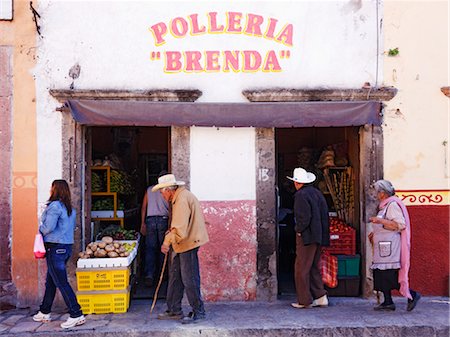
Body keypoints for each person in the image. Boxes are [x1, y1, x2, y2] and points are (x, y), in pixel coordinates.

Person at [152, 174, 209, 324]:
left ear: (168, 190)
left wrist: (166, 242)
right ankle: (174, 309)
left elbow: (179, 230)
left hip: (187, 243)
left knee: (189, 278)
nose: (161, 195)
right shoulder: (180, 197)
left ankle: (199, 311)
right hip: (183, 243)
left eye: (161, 192)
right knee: (176, 276)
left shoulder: (182, 200)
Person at [33, 180, 86, 329]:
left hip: (55, 247)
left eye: (51, 187)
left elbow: (48, 227)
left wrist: (40, 229)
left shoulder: (55, 206)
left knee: (61, 282)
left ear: (54, 189)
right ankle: (44, 311)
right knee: (51, 281)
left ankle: (76, 313)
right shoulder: (69, 208)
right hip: (66, 247)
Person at [368, 179, 421, 311]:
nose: (375, 195)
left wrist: (379, 220)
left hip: (391, 247)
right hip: (383, 247)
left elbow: (400, 225)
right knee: (381, 273)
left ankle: (412, 295)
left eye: (377, 192)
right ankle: (388, 302)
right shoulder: (384, 206)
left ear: (383, 193)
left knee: (389, 275)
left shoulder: (392, 205)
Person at [288, 167, 330, 309]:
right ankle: (320, 297)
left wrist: (298, 230)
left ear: (297, 183)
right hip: (318, 236)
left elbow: (303, 218)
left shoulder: (301, 196)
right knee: (312, 266)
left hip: (307, 236)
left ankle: (304, 300)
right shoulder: (317, 194)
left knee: (301, 269)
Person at [140, 172, 170, 287]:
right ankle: (164, 274)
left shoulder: (149, 190)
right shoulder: (168, 191)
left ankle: (149, 275)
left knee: (150, 248)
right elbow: (171, 208)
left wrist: (143, 223)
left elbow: (144, 207)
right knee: (164, 248)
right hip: (163, 220)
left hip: (150, 220)